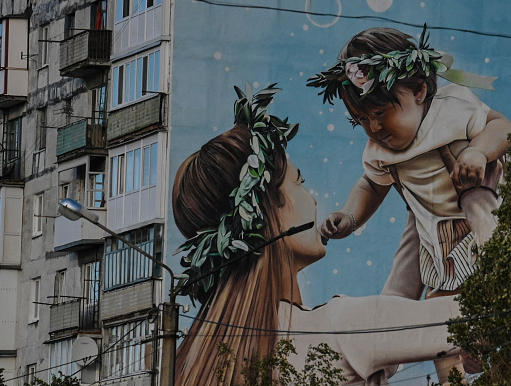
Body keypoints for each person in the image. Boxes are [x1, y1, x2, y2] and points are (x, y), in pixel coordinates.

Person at [172, 84, 467, 386]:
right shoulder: (336, 330)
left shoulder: (203, 357)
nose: (312, 200)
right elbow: (471, 317)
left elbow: (391, 312)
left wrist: (421, 211)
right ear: (269, 210)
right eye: (298, 182)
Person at [308, 26, 511, 383]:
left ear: (419, 91)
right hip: (439, 232)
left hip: (485, 213)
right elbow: (371, 185)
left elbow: (500, 126)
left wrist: (479, 150)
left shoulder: (452, 110)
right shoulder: (380, 151)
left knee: (493, 284)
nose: (374, 127)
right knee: (438, 319)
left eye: (381, 112)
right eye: (362, 120)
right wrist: (350, 216)